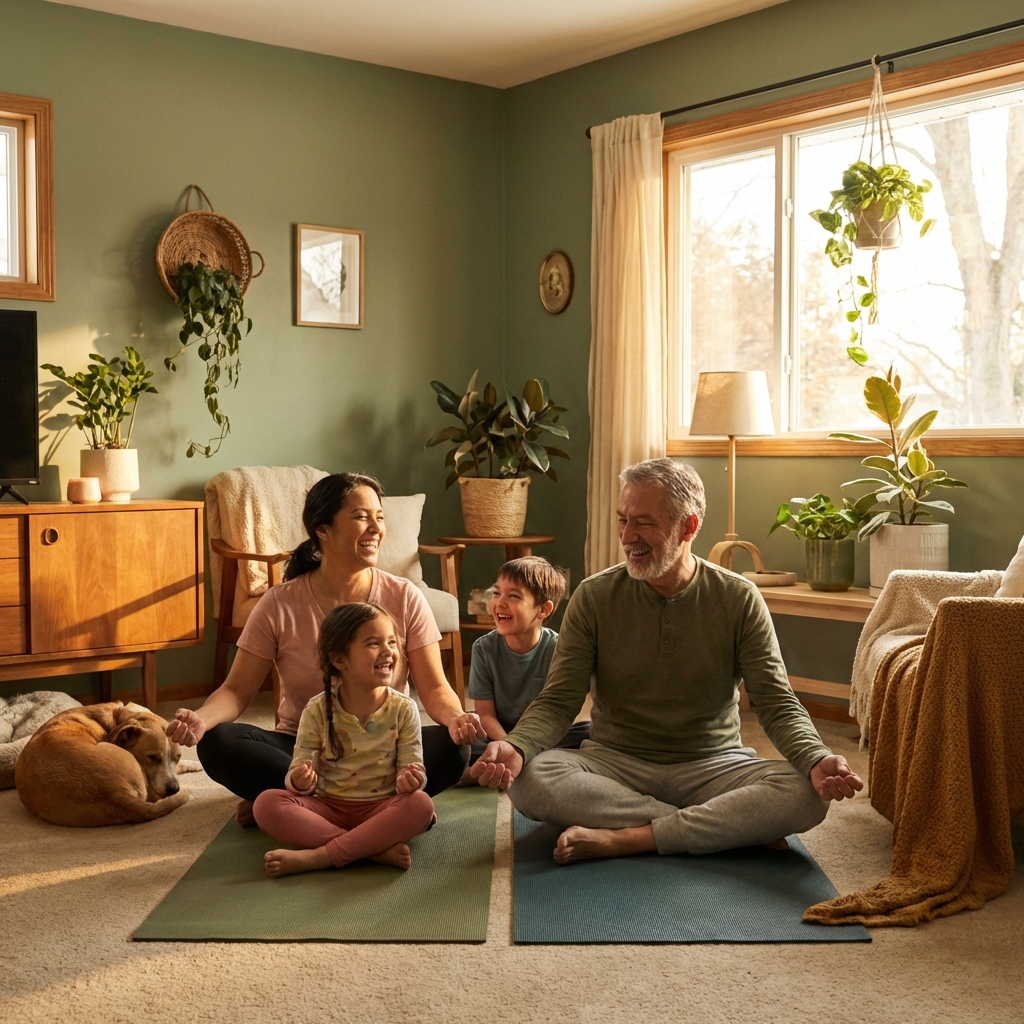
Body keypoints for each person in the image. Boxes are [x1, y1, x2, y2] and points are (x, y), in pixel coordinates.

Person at [471, 458, 863, 864]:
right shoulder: (594, 596)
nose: (627, 536)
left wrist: (817, 757)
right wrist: (517, 746)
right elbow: (558, 700)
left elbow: (777, 703)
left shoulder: (739, 597)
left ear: (689, 527)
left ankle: (632, 838)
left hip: (714, 766)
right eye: (623, 520)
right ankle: (721, 829)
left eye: (644, 522)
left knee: (806, 794)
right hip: (614, 764)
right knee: (530, 779)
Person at [166, 473, 484, 824]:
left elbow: (435, 687)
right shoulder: (278, 603)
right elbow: (237, 690)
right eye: (362, 517)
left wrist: (456, 718)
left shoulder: (405, 597)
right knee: (218, 742)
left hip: (383, 753)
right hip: (305, 754)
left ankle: (305, 808)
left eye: (379, 517)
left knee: (456, 749)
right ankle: (368, 809)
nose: (376, 528)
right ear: (323, 530)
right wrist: (201, 720)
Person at [254, 603, 436, 877]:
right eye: (373, 643)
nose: (388, 651)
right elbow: (297, 770)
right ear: (339, 660)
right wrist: (300, 781)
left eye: (391, 642)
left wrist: (410, 780)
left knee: (421, 805)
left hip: (381, 808)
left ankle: (320, 857)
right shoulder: (316, 710)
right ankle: (372, 850)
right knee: (266, 804)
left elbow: (414, 768)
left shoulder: (404, 708)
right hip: (328, 808)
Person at [467, 556, 587, 771]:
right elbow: (486, 715)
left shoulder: (560, 649)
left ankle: (499, 767)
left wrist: (523, 747)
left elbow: (561, 714)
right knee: (462, 738)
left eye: (513, 596)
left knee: (589, 732)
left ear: (543, 610)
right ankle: (516, 764)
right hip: (498, 734)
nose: (500, 603)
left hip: (544, 736)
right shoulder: (483, 649)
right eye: (496, 593)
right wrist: (509, 745)